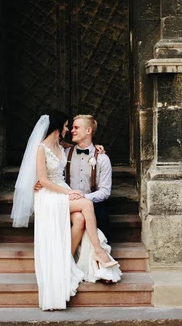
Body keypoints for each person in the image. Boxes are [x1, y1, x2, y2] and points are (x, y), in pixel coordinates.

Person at [11, 110, 121, 311]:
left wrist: (96, 147)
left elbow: (81, 148)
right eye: (66, 126)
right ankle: (99, 251)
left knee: (79, 219)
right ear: (58, 127)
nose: (69, 129)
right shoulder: (41, 148)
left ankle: (66, 261)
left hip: (63, 192)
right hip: (50, 194)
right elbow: (43, 180)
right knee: (86, 205)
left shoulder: (64, 147)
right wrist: (66, 193)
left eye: (73, 127)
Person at [66, 115, 112, 255]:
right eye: (72, 127)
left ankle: (100, 258)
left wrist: (84, 197)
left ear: (88, 131)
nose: (72, 130)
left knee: (102, 214)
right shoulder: (65, 154)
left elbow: (105, 191)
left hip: (91, 201)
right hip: (68, 201)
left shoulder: (102, 158)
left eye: (76, 127)